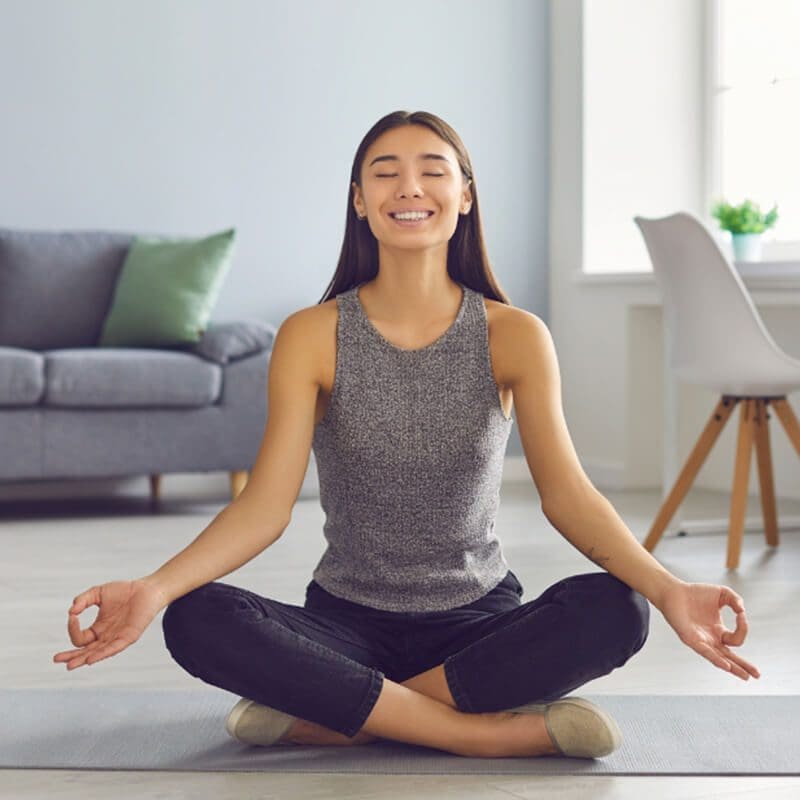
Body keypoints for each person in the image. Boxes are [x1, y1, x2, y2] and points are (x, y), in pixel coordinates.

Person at [53, 110, 760, 760]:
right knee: (196, 616)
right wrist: (152, 587)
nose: (409, 187)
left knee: (616, 608)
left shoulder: (515, 336)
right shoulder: (312, 334)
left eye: (432, 170)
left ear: (465, 195)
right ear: (359, 200)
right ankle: (481, 736)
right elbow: (264, 508)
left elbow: (568, 495)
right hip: (343, 626)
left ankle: (331, 717)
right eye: (385, 173)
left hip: (476, 626)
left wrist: (668, 590)